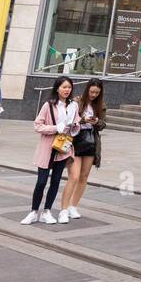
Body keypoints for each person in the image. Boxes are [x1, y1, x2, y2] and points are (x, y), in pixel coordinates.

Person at [23, 77, 77, 225]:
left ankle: (47, 211)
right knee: (41, 182)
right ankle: (34, 212)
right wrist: (55, 128)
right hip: (47, 148)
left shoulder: (73, 106)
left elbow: (76, 125)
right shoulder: (49, 105)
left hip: (63, 148)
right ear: (57, 88)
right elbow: (37, 125)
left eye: (69, 87)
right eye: (64, 87)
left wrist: (74, 126)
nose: (67, 90)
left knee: (55, 181)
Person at [60, 79, 105, 222]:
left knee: (84, 177)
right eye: (92, 92)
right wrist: (83, 120)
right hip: (75, 141)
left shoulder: (100, 105)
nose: (94, 95)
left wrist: (97, 122)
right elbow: (67, 121)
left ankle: (74, 206)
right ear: (87, 90)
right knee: (73, 176)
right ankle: (64, 209)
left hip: (90, 142)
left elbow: (103, 124)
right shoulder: (76, 102)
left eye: (97, 93)